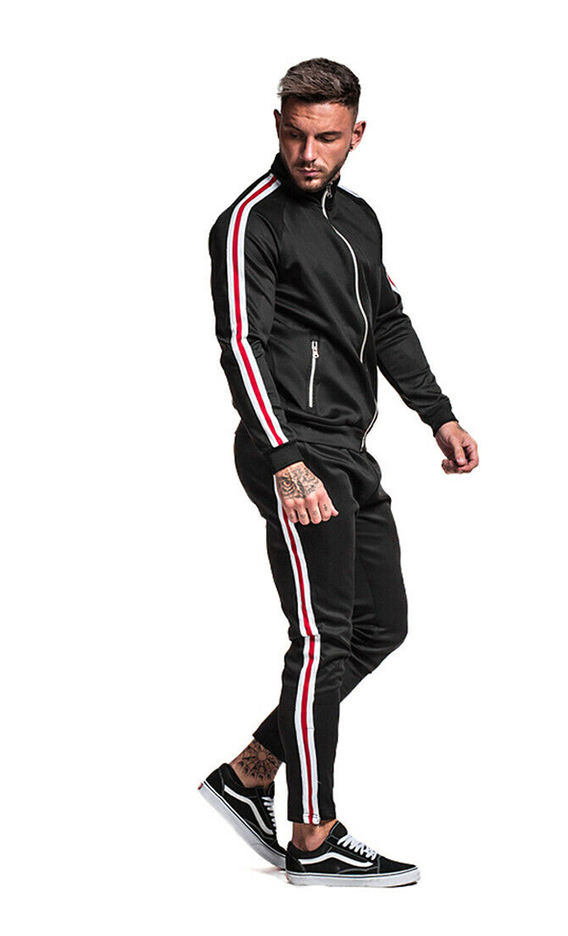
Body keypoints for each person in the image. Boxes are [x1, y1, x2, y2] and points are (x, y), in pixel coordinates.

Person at [199, 57, 479, 887]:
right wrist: (285, 458)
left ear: (357, 133)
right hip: (291, 446)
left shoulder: (357, 218)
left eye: (325, 137)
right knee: (323, 637)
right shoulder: (250, 222)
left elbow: (386, 321)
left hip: (349, 446)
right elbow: (242, 344)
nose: (307, 153)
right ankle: (313, 833)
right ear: (276, 126)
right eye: (294, 134)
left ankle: (250, 773)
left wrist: (439, 413)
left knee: (379, 625)